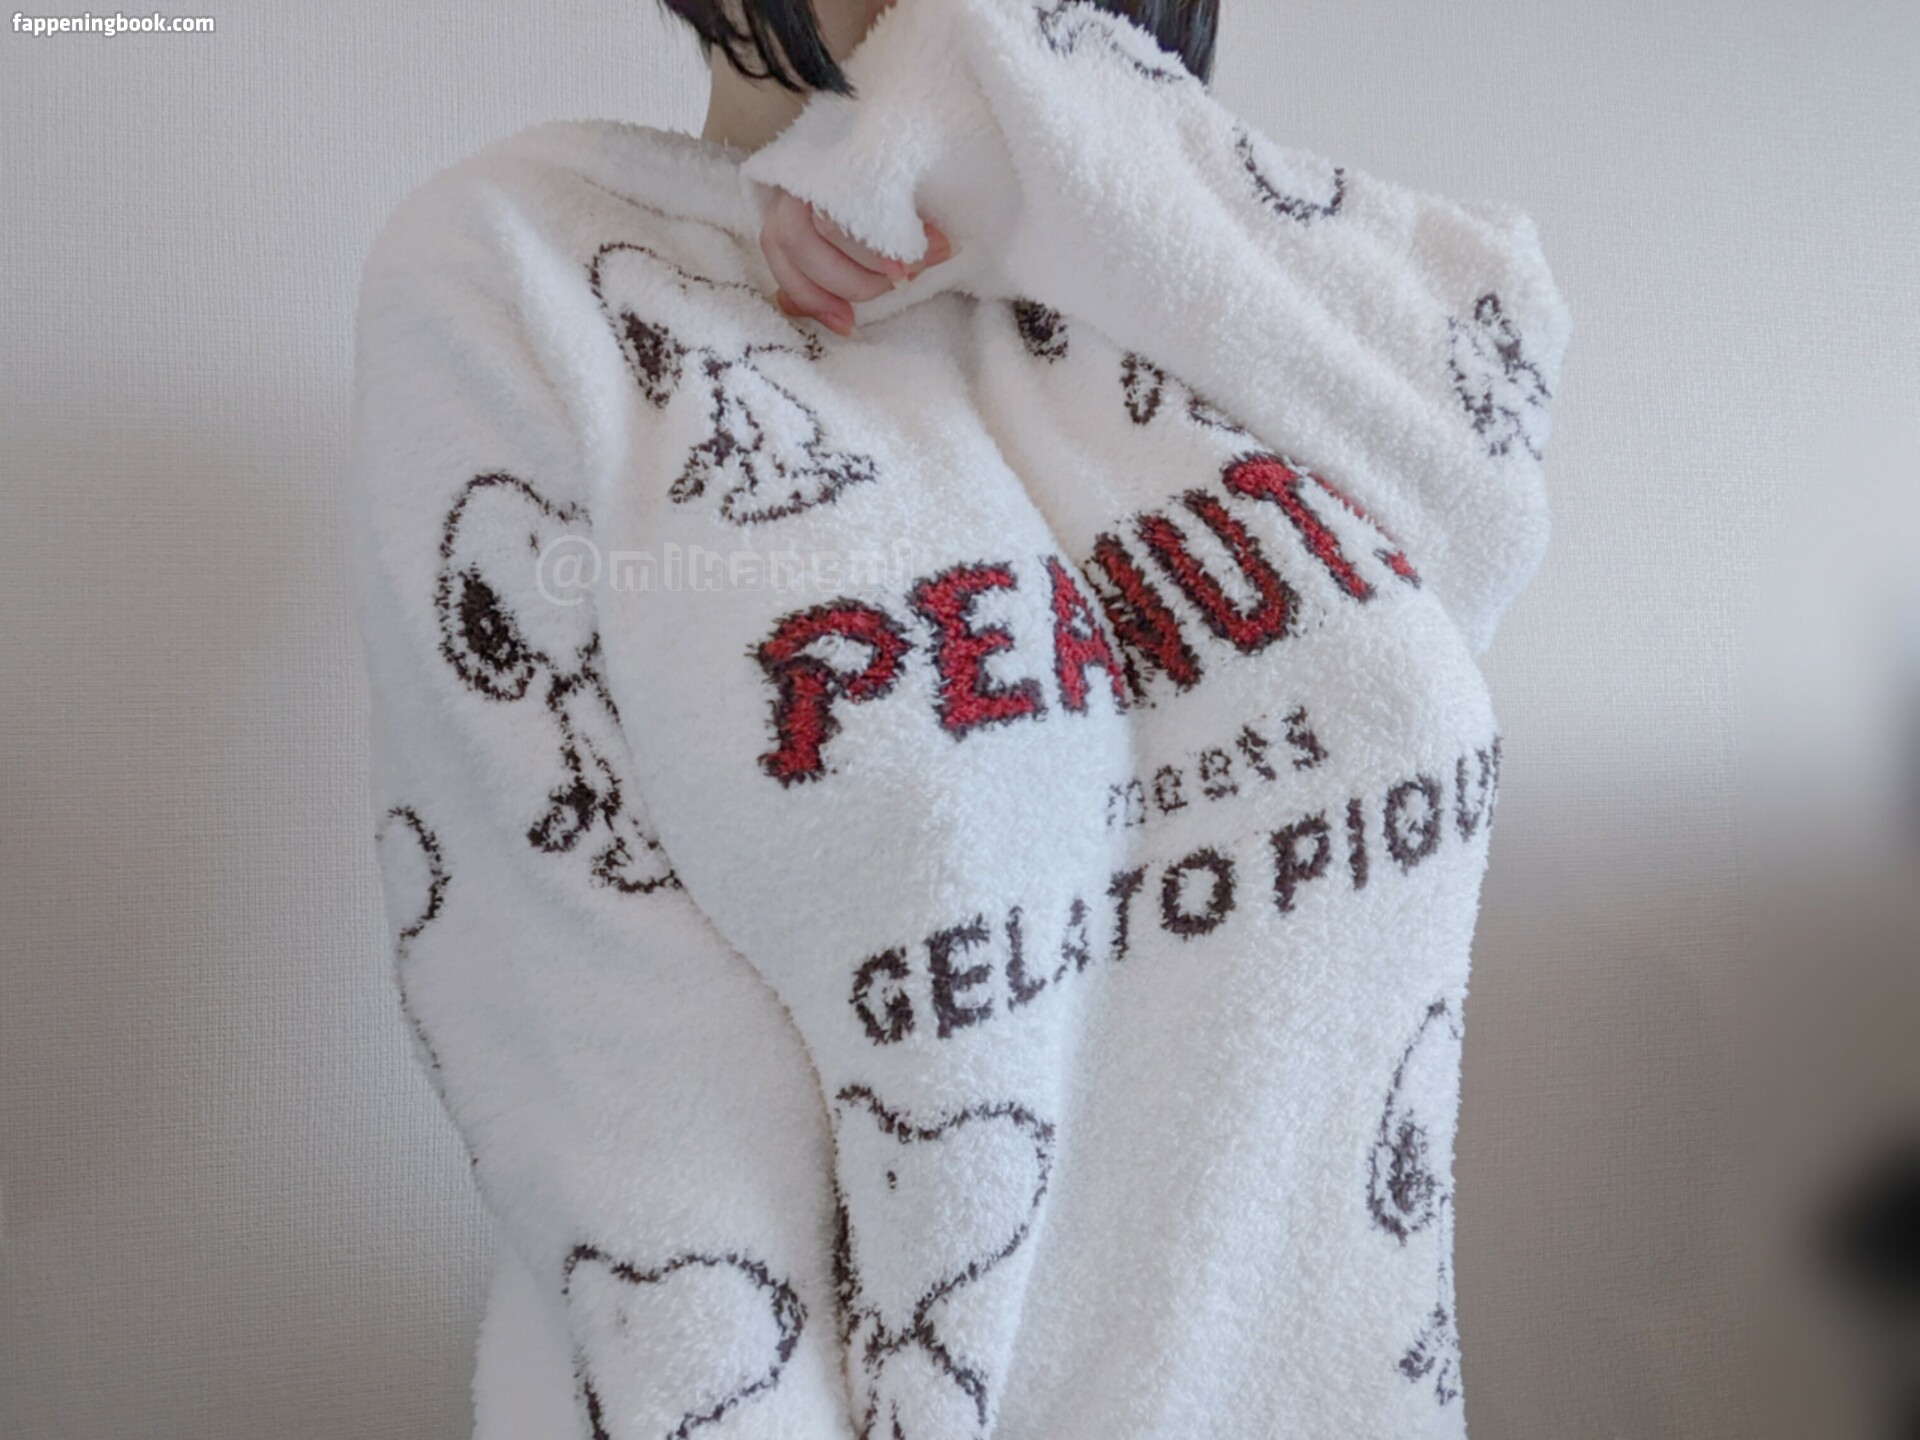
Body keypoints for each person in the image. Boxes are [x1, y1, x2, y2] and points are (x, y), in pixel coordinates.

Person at [348, 1, 1571, 1436]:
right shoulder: (528, 277)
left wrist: (992, 141)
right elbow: (642, 1172)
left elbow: (1485, 460)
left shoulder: (1198, 294)